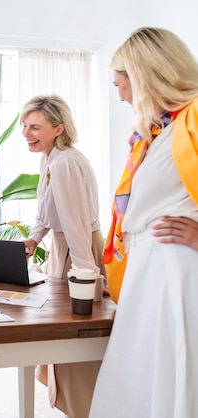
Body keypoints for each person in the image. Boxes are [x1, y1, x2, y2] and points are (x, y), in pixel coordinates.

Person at [90, 27, 198, 418]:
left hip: (177, 276)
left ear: (146, 73)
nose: (119, 92)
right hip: (149, 277)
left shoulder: (195, 116)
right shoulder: (159, 130)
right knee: (139, 391)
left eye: (121, 80)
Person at [19, 95, 105, 418]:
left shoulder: (66, 162)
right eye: (25, 126)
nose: (27, 133)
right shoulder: (50, 159)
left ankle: (87, 410)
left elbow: (74, 222)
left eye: (35, 127)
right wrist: (32, 239)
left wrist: (88, 275)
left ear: (59, 127)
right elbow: (46, 213)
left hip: (77, 252)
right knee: (64, 352)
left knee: (76, 348)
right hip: (63, 250)